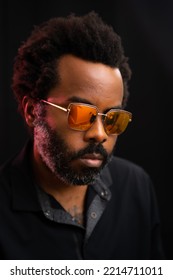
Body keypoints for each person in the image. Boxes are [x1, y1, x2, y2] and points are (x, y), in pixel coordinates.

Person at [0, 11, 164, 260]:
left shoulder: (136, 186)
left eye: (113, 119)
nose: (99, 134)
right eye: (80, 113)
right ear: (33, 111)